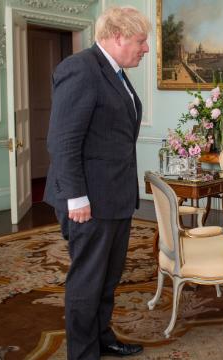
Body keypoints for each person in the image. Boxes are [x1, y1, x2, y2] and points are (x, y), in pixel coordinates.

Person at [43, 6, 150, 359]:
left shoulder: (114, 72)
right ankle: (83, 352)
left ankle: (101, 336)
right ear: (117, 37)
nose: (145, 48)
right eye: (140, 40)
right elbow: (64, 141)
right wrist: (76, 198)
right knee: (87, 282)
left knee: (107, 279)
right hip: (87, 201)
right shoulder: (81, 69)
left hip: (114, 197)